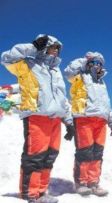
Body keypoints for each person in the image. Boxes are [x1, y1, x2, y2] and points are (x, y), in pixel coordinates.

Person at [1, 34, 74, 203]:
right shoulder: (27, 64)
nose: (55, 51)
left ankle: (41, 192)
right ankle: (30, 194)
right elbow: (6, 58)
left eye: (58, 48)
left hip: (55, 119)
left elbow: (62, 99)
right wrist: (33, 46)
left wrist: (69, 122)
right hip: (36, 117)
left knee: (50, 156)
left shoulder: (56, 72)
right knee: (35, 157)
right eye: (52, 47)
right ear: (44, 46)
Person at [64, 52, 112, 197]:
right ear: (88, 63)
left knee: (97, 153)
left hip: (101, 121)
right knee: (85, 152)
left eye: (99, 63)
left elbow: (106, 104)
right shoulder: (80, 76)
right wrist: (84, 60)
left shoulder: (102, 83)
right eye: (94, 62)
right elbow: (68, 72)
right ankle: (81, 182)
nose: (97, 65)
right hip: (84, 118)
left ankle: (93, 182)